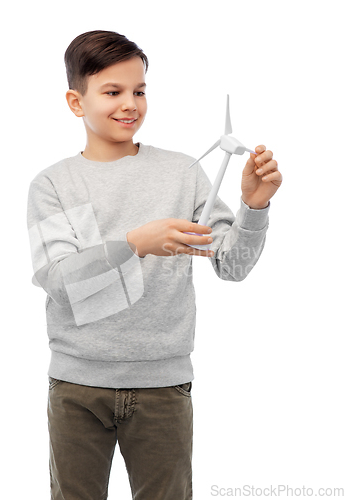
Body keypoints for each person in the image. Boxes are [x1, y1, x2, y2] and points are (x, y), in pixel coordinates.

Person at [26, 30, 282, 500]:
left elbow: (232, 265)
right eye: (112, 91)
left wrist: (254, 208)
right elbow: (59, 279)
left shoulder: (182, 173)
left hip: (164, 387)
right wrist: (134, 242)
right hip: (77, 386)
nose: (130, 104)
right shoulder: (54, 184)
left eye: (139, 91)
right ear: (75, 101)